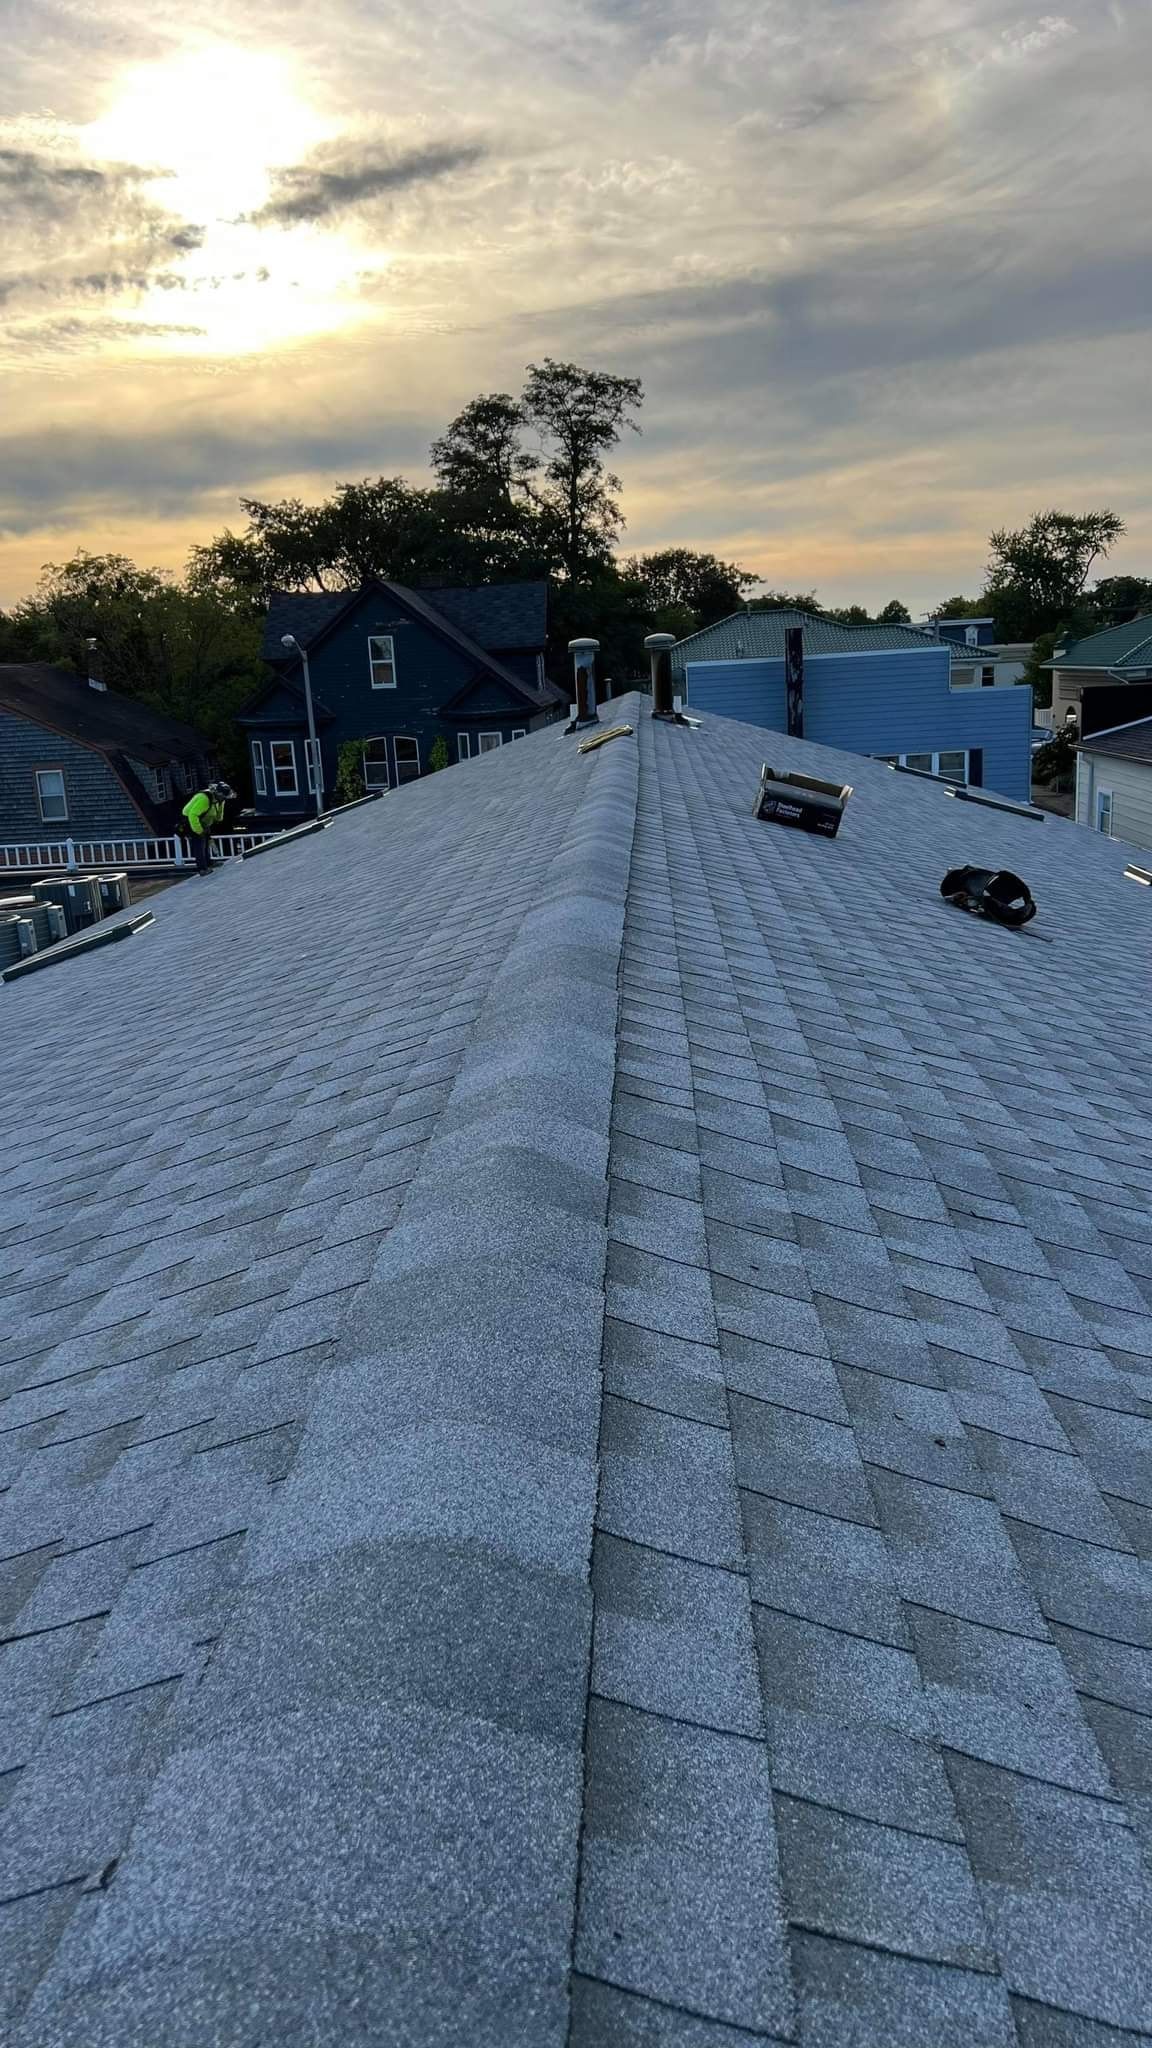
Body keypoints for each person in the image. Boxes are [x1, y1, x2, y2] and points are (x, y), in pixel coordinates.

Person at [182, 781, 234, 874]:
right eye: (224, 797)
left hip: (204, 822)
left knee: (206, 842)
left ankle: (209, 863)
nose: (225, 799)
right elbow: (192, 815)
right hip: (192, 821)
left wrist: (218, 818)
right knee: (199, 845)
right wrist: (199, 830)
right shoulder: (204, 798)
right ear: (218, 793)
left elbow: (219, 814)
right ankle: (202, 869)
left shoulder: (220, 799)